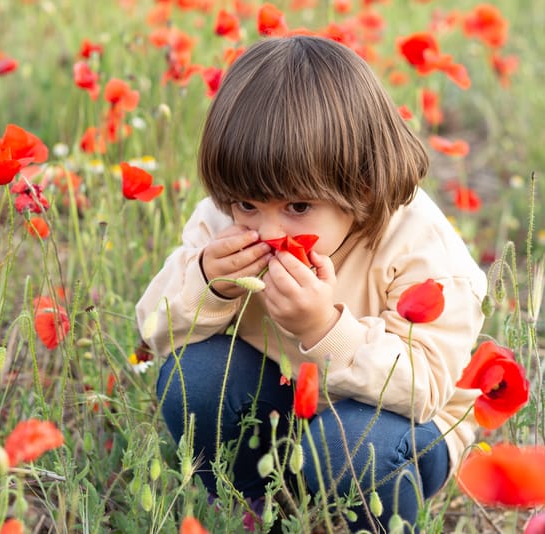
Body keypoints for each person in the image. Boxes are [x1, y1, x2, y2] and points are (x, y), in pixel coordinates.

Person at [136, 35, 486, 532]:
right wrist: (209, 285)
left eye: (298, 207)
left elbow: (426, 387)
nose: (270, 231)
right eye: (248, 204)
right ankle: (257, 509)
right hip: (279, 408)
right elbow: (153, 330)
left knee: (350, 448)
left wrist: (324, 328)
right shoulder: (223, 223)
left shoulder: (418, 248)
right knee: (191, 376)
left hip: (390, 429)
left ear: (360, 186)